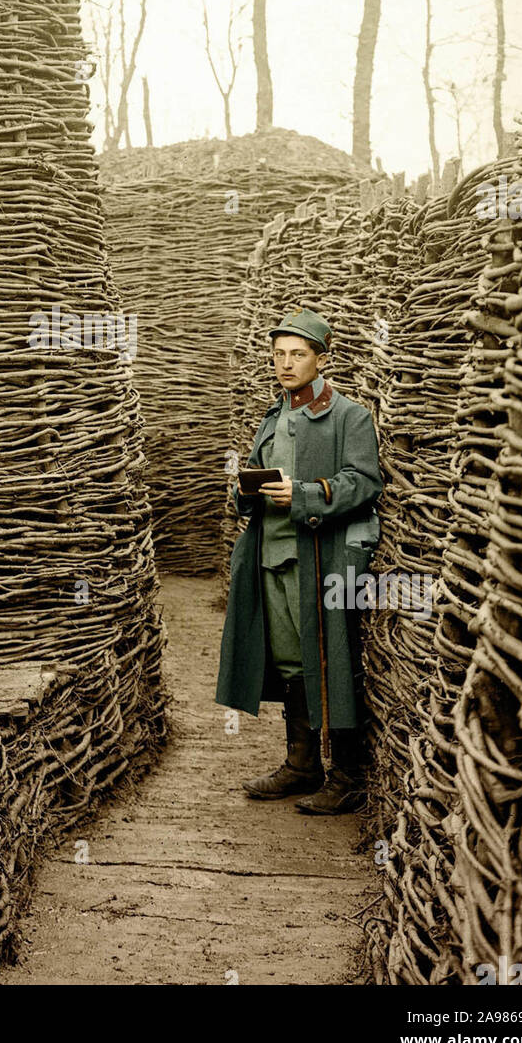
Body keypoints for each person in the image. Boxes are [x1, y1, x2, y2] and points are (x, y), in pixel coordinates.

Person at [215, 307, 382, 814]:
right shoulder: (273, 417)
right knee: (290, 660)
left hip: (321, 559)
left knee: (331, 658)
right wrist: (247, 491)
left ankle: (348, 777)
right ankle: (302, 765)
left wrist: (308, 495)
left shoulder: (350, 416)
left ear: (321, 359)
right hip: (272, 555)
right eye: (280, 355)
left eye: (298, 354)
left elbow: (364, 482)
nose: (287, 364)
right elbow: (261, 479)